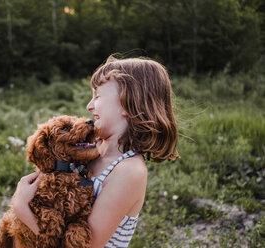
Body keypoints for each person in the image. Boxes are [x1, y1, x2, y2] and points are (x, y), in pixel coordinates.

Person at [12, 55, 179, 248]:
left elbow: (86, 245)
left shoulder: (129, 171)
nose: (89, 106)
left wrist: (21, 208)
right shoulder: (88, 152)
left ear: (127, 103)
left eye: (97, 96)